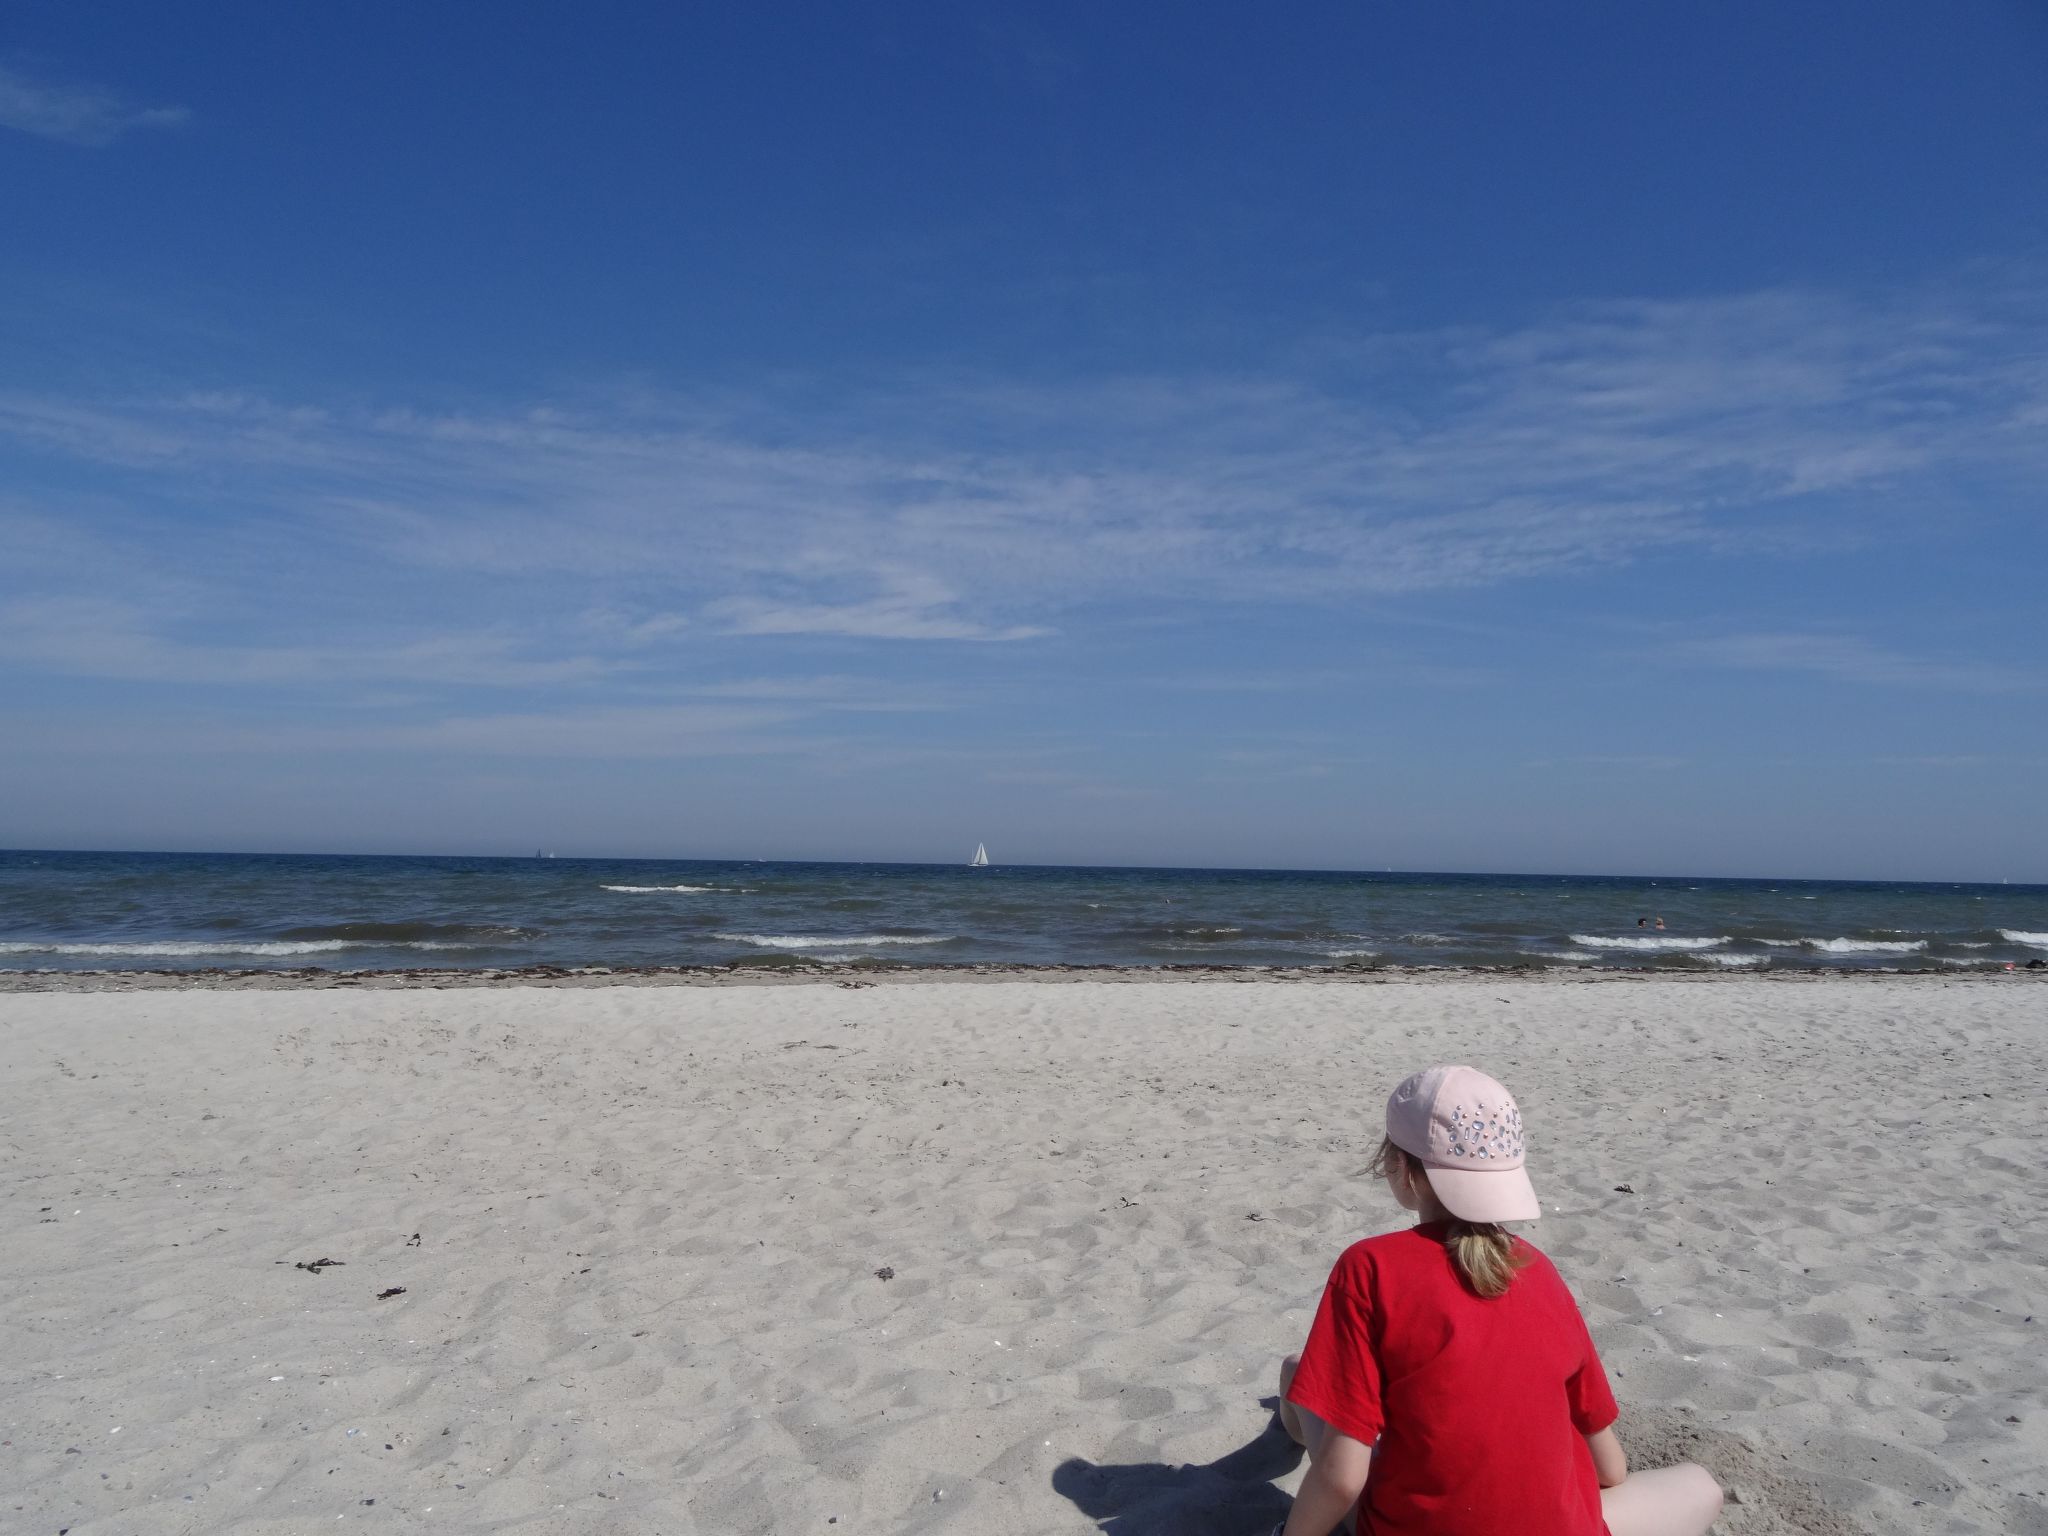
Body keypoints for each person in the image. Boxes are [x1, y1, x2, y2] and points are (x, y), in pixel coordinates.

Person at [1274, 1065, 1722, 1536]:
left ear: (1401, 1168)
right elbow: (1611, 1470)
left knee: (1313, 1390)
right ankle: (1296, 1386)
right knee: (1701, 1486)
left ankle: (1296, 1385)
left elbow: (1342, 1478)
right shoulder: (1539, 1270)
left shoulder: (1370, 1267)